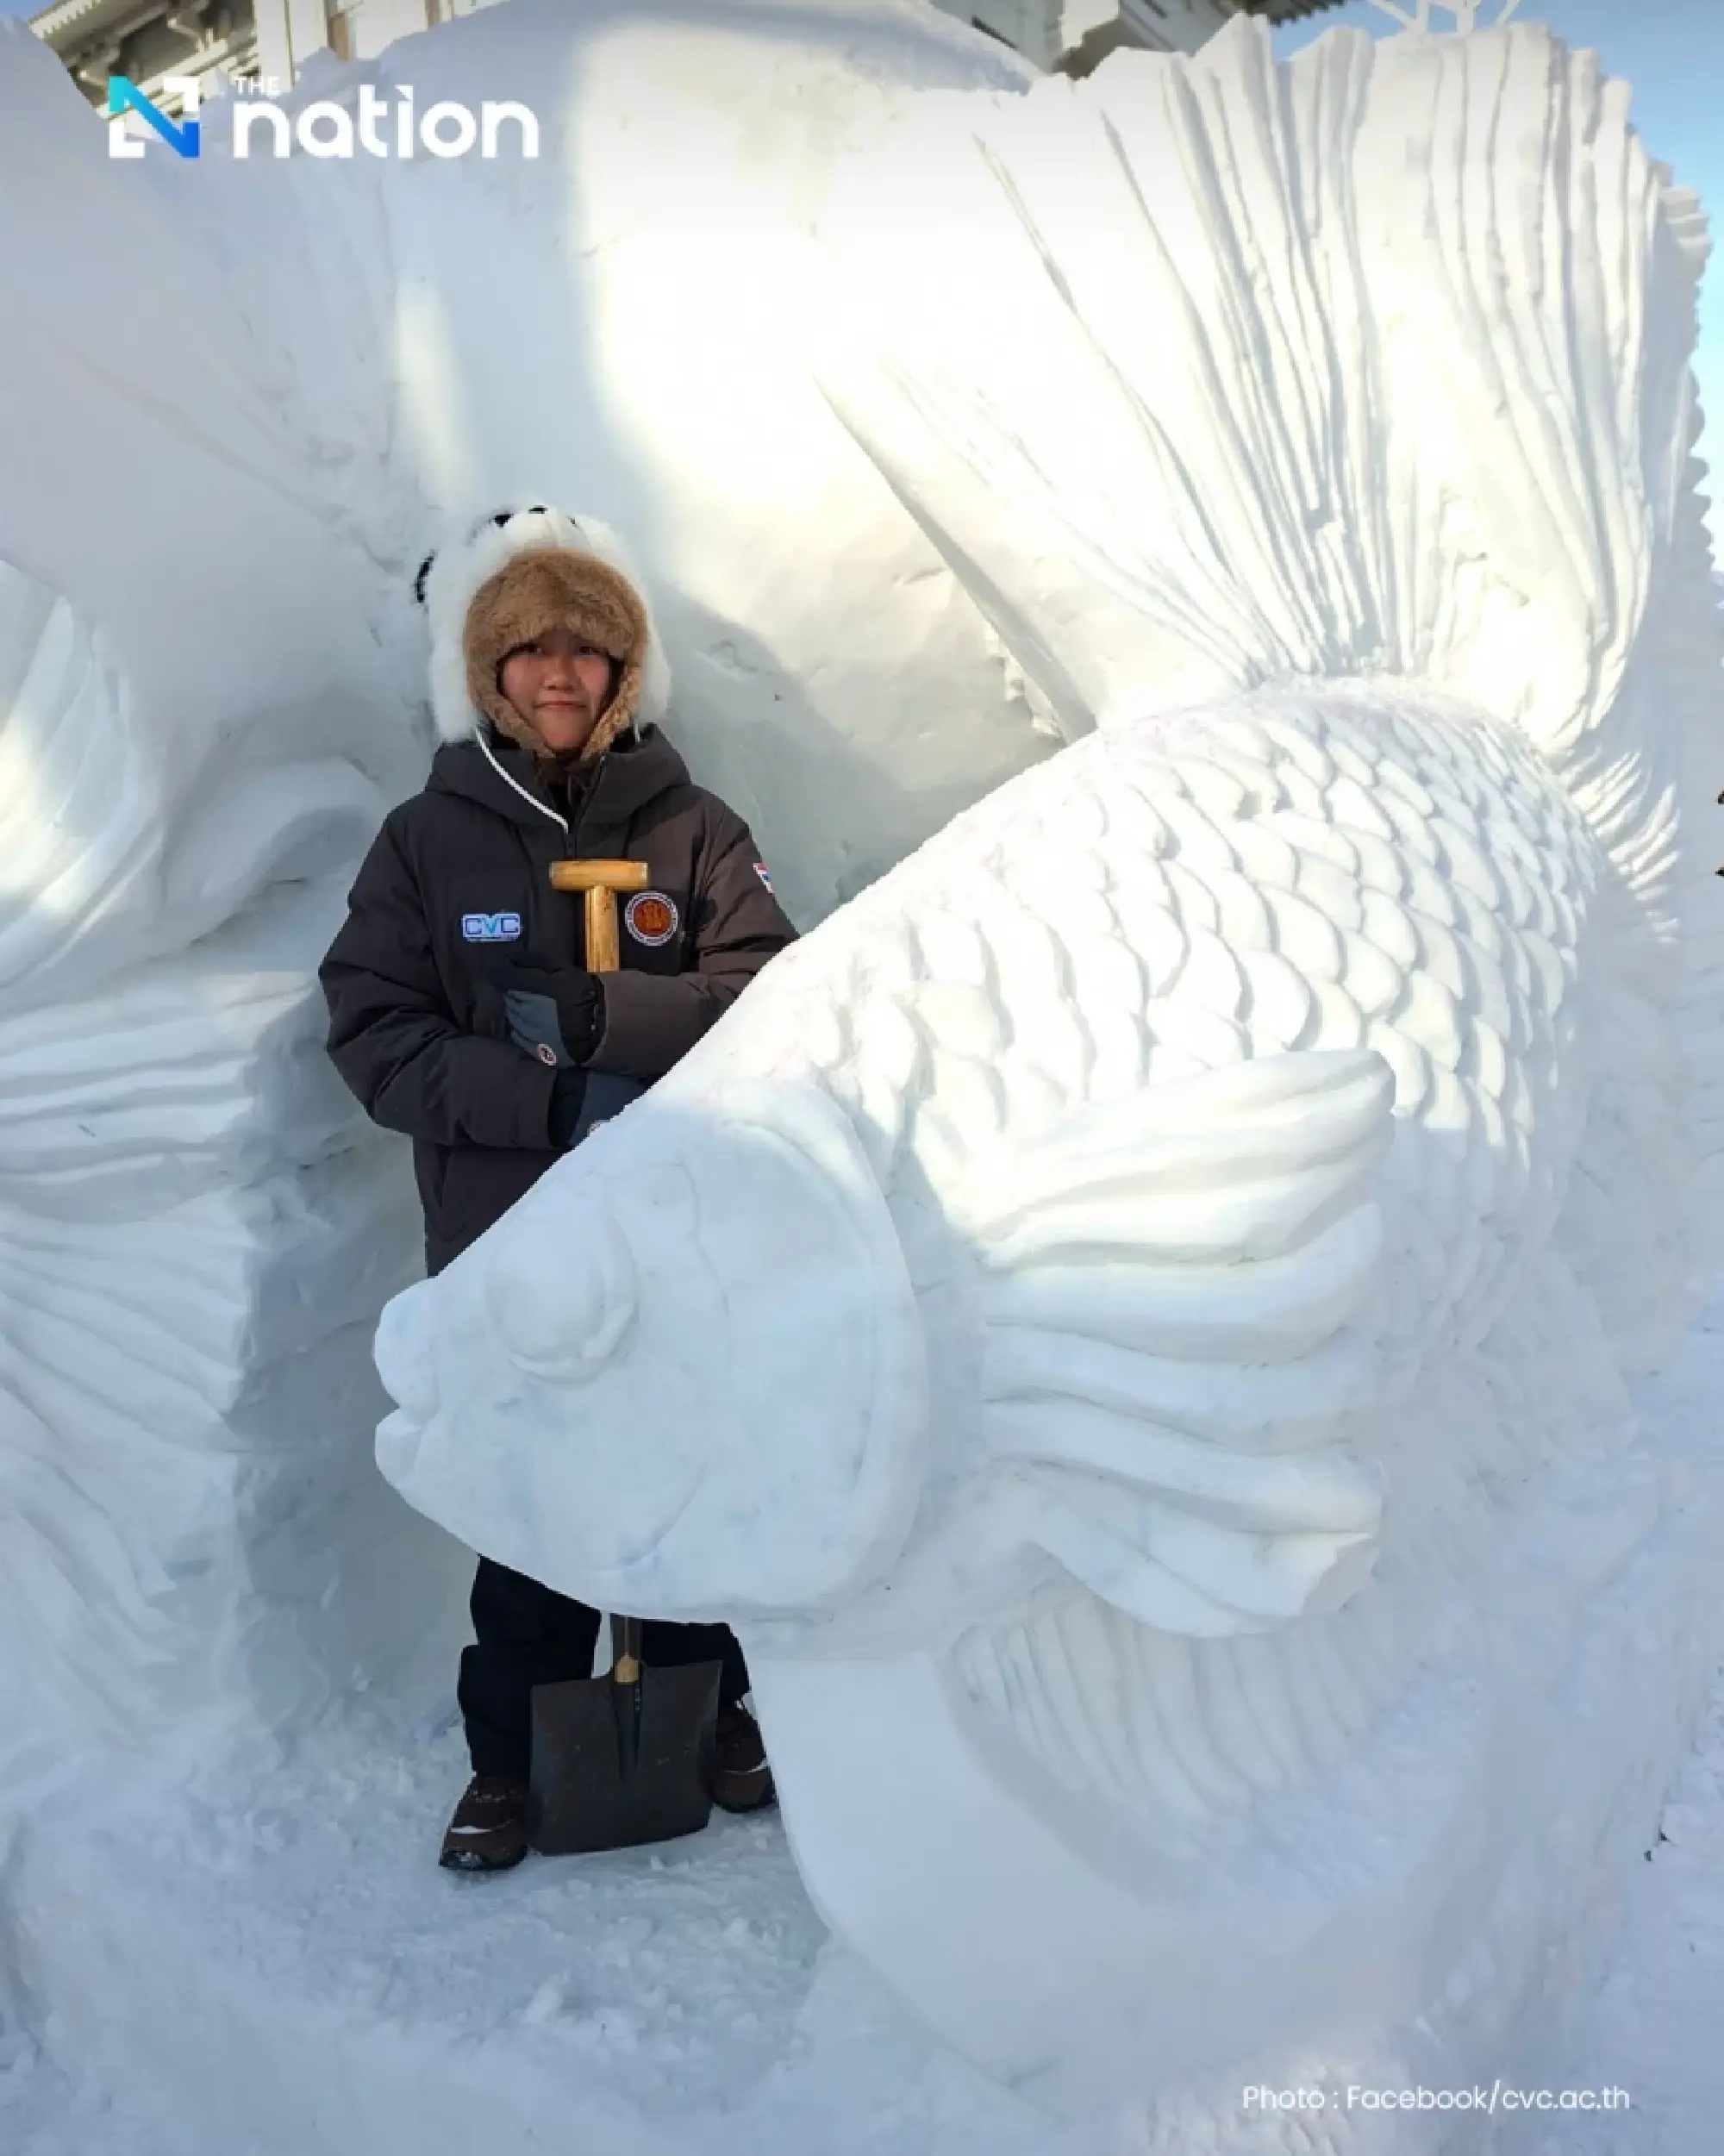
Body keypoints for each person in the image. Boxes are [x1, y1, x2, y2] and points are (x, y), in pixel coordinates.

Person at [318, 504, 798, 1872]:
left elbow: (776, 992)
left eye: (586, 649)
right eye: (526, 649)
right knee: (524, 1497)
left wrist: (607, 1033)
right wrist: (540, 1101)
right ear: (488, 673)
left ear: (623, 671)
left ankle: (712, 1713)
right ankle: (512, 1761)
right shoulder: (427, 840)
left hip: (672, 1238)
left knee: (679, 1472)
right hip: (502, 1241)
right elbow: (375, 1031)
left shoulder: (696, 829)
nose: (558, 674)